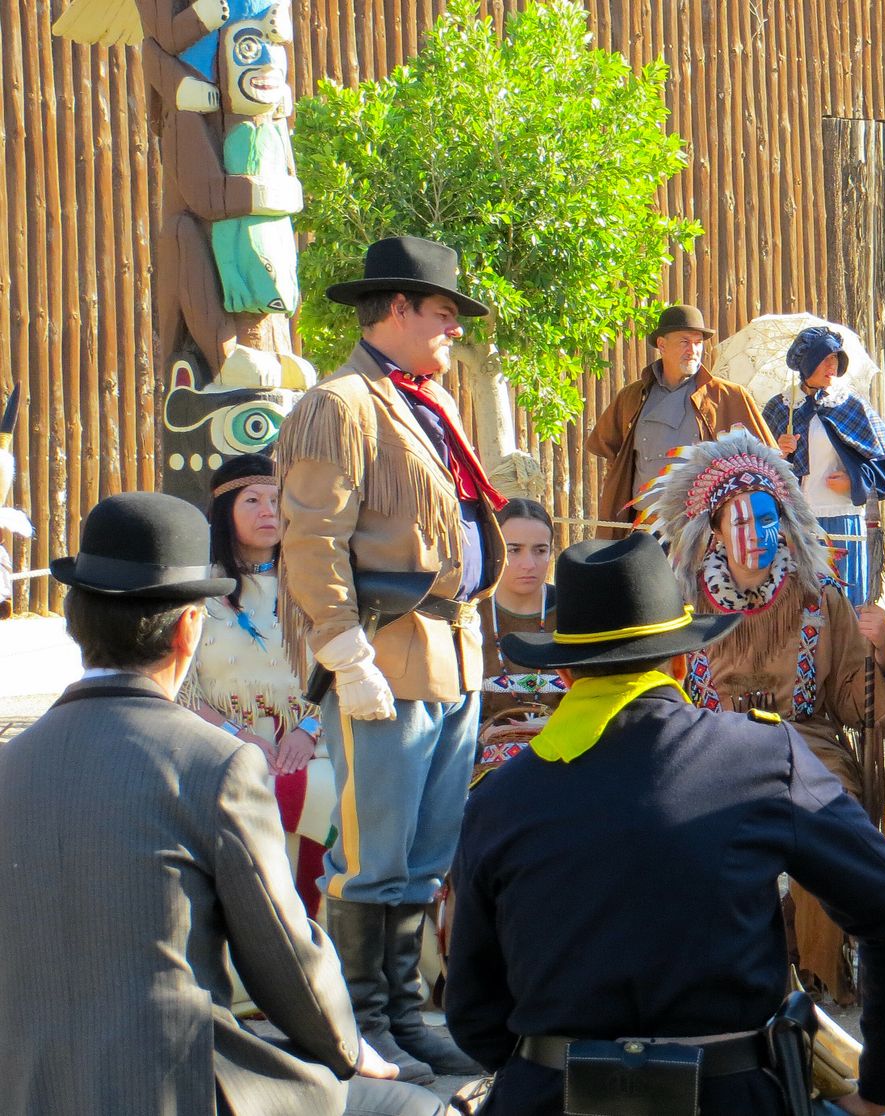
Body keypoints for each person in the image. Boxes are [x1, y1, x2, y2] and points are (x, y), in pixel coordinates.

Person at [445, 533, 885, 1116]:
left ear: (567, 675)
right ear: (683, 662)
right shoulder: (763, 757)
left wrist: (550, 1064)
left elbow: (474, 1012)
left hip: (548, 1097)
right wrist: (881, 1092)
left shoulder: (499, 797)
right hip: (730, 1099)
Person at [0, 491, 444, 1116]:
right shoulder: (215, 764)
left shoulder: (10, 764)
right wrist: (351, 1050)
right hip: (173, 1087)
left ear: (74, 622)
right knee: (413, 1108)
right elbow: (284, 953)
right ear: (189, 626)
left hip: (26, 1090)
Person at [277, 235, 505, 1083]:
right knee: (371, 857)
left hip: (450, 648)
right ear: (399, 309)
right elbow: (311, 541)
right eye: (445, 313)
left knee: (424, 851)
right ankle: (361, 1023)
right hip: (386, 649)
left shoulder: (419, 402)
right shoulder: (339, 403)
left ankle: (405, 1014)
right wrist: (344, 652)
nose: (454, 329)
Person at [639, 429, 885, 1003]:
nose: (755, 536)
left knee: (832, 816)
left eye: (766, 518)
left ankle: (819, 978)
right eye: (739, 522)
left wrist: (881, 653)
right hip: (708, 747)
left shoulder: (817, 595)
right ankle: (715, 974)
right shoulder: (680, 604)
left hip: (805, 744)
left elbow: (856, 699)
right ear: (712, 532)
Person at [181, 452, 333, 919]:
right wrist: (240, 738)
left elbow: (341, 669)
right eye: (253, 500)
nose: (269, 511)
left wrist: (308, 732)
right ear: (225, 511)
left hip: (314, 746)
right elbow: (182, 687)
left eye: (277, 500)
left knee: (333, 802)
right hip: (220, 748)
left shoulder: (314, 587)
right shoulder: (194, 591)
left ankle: (330, 951)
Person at [586, 304, 777, 536]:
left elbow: (766, 459)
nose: (693, 350)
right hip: (644, 528)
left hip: (704, 529)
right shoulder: (633, 396)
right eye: (684, 342)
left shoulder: (729, 396)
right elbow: (611, 451)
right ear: (662, 345)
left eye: (698, 343)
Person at [762, 325, 885, 605]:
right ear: (807, 363)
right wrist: (777, 450)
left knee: (845, 604)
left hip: (841, 518)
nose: (833, 365)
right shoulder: (781, 407)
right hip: (795, 522)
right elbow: (756, 471)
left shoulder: (850, 405)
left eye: (836, 359)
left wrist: (856, 482)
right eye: (826, 358)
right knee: (800, 605)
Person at [476, 498, 564, 751]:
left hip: (563, 754)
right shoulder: (470, 616)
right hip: (481, 760)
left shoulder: (575, 613)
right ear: (494, 548)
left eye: (540, 550)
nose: (529, 564)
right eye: (514, 550)